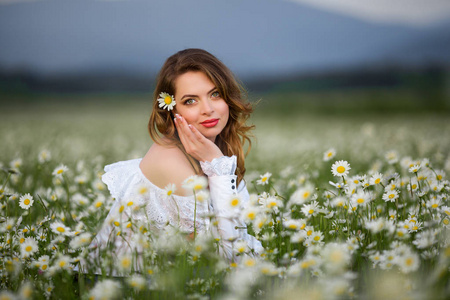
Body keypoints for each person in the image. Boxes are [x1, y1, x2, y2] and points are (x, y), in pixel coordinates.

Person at [82, 49, 263, 274]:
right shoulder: (171, 162)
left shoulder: (214, 150)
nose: (208, 109)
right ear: (171, 110)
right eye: (190, 101)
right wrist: (218, 167)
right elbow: (229, 257)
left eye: (215, 94)